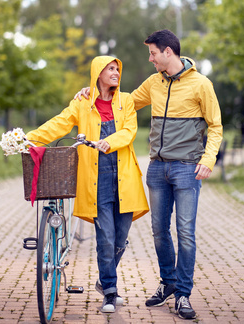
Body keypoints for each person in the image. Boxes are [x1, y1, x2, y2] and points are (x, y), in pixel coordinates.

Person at [76, 30, 223, 320]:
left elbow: (215, 125)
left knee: (186, 233)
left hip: (186, 168)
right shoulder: (153, 83)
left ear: (168, 52)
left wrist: (208, 158)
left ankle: (183, 294)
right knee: (159, 232)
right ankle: (167, 282)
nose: (150, 59)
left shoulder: (201, 84)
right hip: (157, 168)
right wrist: (91, 91)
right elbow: (123, 101)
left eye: (153, 53)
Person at [26, 56, 149, 314]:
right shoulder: (82, 102)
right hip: (96, 179)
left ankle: (103, 281)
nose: (116, 73)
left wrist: (110, 141)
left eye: (118, 69)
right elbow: (59, 123)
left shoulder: (125, 101)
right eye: (111, 69)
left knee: (120, 238)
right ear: (98, 73)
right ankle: (111, 292)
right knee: (106, 237)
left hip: (124, 176)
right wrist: (28, 138)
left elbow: (129, 131)